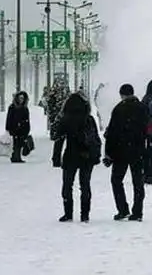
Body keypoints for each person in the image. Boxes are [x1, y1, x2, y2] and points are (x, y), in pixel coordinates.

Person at [52, 92, 102, 223]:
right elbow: (96, 138)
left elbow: (58, 139)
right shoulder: (89, 119)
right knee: (85, 185)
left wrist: (56, 157)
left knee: (67, 185)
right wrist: (96, 155)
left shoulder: (66, 119)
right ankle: (85, 214)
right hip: (86, 156)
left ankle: (68, 213)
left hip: (71, 155)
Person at [103, 83, 149, 221]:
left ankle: (123, 209)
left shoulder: (119, 109)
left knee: (116, 181)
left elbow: (112, 133)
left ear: (122, 95)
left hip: (120, 151)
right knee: (138, 183)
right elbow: (147, 130)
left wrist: (108, 153)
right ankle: (138, 212)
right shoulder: (143, 108)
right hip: (138, 150)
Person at [5, 91, 31, 163]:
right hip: (14, 128)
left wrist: (27, 129)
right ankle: (15, 157)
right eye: (20, 98)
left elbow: (27, 119)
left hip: (23, 129)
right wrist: (8, 128)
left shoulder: (25, 108)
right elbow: (9, 118)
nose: (21, 100)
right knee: (16, 143)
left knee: (20, 143)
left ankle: (17, 156)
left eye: (22, 98)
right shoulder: (12, 107)